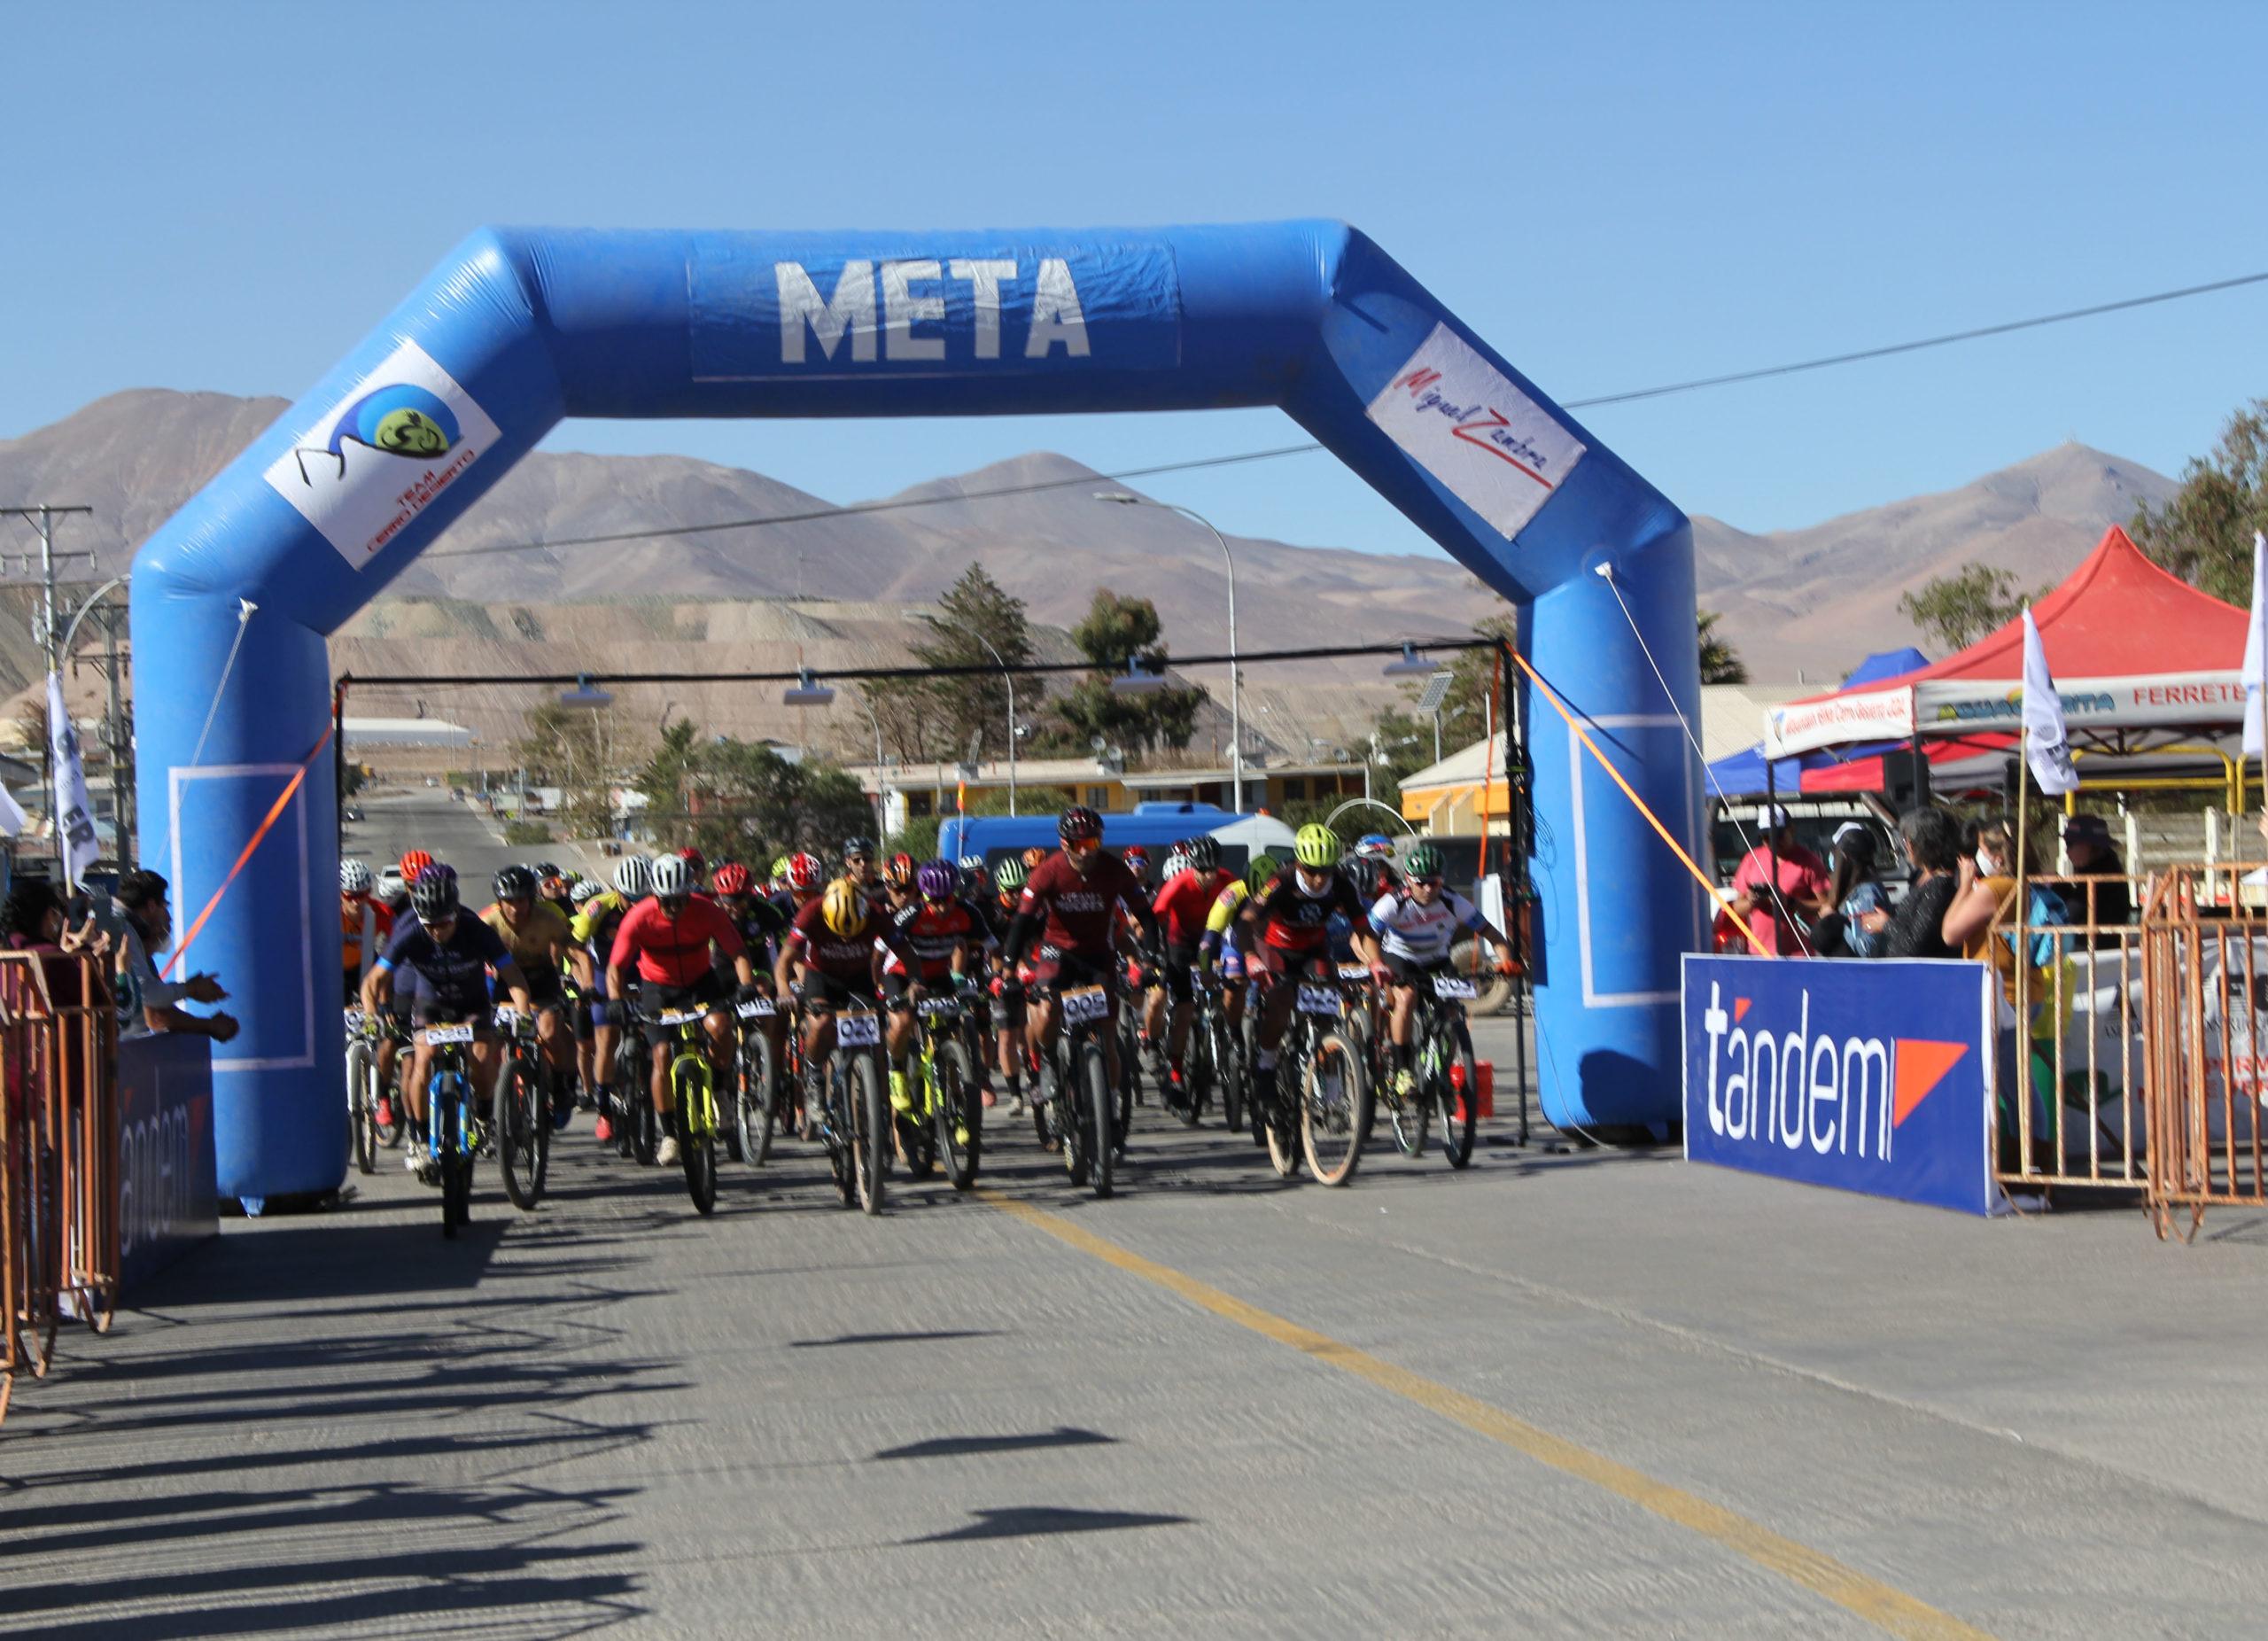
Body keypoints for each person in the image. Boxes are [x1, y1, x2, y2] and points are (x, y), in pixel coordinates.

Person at [362, 866, 532, 1178]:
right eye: (431, 925)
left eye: (444, 923)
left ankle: (481, 1119)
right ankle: (418, 1138)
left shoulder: (476, 929)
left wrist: (523, 1016)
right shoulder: (411, 930)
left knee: (481, 1057)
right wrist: (373, 1016)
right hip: (432, 1003)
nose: (437, 931)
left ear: (455, 913)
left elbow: (514, 977)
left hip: (472, 1002)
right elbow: (373, 981)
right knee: (422, 1060)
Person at [1001, 807, 1161, 1110]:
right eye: (1080, 845)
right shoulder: (1047, 872)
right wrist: (1009, 969)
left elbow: (1146, 917)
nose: (1087, 852)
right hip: (1057, 952)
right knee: (1048, 1009)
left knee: (1109, 1035)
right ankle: (1048, 1059)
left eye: (1094, 844)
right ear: (1064, 844)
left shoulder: (1114, 871)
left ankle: (1111, 1102)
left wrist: (1149, 963)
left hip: (1098, 953)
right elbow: (1021, 923)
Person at [608, 852, 755, 1166]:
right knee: (660, 1055)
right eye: (666, 901)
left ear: (690, 892)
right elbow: (616, 968)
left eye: (680, 900)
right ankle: (671, 1134)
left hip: (700, 981)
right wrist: (616, 1000)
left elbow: (738, 952)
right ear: (654, 895)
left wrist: (746, 985)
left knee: (721, 1026)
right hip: (657, 988)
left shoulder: (708, 911)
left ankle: (718, 1090)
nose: (674, 908)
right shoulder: (639, 917)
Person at [1237, 825, 1386, 1092]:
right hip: (1275, 949)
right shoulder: (1280, 882)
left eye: (1325, 871)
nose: (1318, 879)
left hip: (1313, 949)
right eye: (1311, 871)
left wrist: (1376, 963)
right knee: (1281, 1003)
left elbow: (1364, 929)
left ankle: (1331, 1087)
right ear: (1299, 864)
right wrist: (1250, 957)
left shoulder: (1341, 884)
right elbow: (1246, 922)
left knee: (1326, 1015)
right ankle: (1266, 1064)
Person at [1367, 843, 1514, 1100]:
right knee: (1407, 997)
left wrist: (1505, 960)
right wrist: (1377, 963)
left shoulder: (1452, 901)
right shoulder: (1393, 902)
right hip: (1401, 956)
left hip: (1437, 958)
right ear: (1408, 881)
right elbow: (1366, 935)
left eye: (1433, 883)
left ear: (1441, 881)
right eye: (1420, 883)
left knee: (1451, 1009)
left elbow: (1491, 933)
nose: (1427, 889)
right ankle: (1402, 1070)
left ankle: (1442, 1066)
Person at [481, 865, 579, 1124]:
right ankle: (494, 1098)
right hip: (504, 988)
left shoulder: (547, 918)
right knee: (491, 1043)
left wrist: (587, 986)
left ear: (532, 899)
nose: (516, 908)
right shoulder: (487, 922)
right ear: (499, 902)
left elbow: (575, 952)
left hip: (542, 985)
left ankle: (559, 1089)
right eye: (509, 901)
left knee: (548, 1033)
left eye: (522, 900)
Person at [1149, 836, 1234, 1100]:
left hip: (1212, 940)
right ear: (1192, 866)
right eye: (1202, 870)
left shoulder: (1226, 879)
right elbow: (1155, 919)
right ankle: (1175, 1070)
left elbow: (1245, 909)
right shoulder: (1178, 885)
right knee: (1185, 1007)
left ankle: (1227, 1044)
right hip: (1180, 944)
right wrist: (1153, 954)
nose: (1209, 876)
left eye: (1213, 869)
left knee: (1229, 990)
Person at [113, 869, 237, 1044]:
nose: (168, 917)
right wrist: (191, 990)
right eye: (165, 906)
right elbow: (152, 1005)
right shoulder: (122, 930)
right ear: (151, 906)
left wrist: (190, 990)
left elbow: (155, 1007)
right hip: (119, 1051)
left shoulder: (121, 926)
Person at [1724, 805, 1830, 955]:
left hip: (1798, 954)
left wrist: (1792, 902)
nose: (1773, 842)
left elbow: (1827, 906)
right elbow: (1737, 907)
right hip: (1759, 953)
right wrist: (1751, 901)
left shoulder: (1809, 861)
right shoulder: (1751, 859)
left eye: (1778, 836)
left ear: (1791, 830)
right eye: (1767, 837)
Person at [1871, 807, 1963, 959]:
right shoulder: (1923, 877)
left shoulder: (1939, 886)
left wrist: (1886, 924)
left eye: (1907, 841)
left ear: (1923, 844)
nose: (1906, 847)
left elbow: (1916, 943)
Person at [2051, 814, 2130, 945]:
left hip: (2095, 949)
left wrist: (2056, 885)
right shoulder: (2106, 867)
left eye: (2070, 844)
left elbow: (2070, 915)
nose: (2066, 851)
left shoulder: (2098, 876)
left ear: (2088, 845)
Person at [1813, 823, 1886, 959]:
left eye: (1835, 851)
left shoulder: (1866, 894)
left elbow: (1867, 950)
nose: (1832, 857)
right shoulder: (1851, 890)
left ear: (1844, 857)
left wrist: (1834, 923)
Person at [340, 859, 395, 1007]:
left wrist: (385, 996)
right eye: (350, 896)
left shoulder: (380, 913)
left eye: (362, 895)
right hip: (336, 970)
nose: (356, 902)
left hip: (365, 963)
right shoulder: (329, 916)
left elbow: (398, 944)